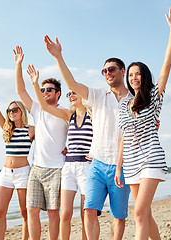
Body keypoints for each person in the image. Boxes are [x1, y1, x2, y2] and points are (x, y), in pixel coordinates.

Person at [44, 36, 131, 240]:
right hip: (97, 164)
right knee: (89, 211)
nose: (107, 73)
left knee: (118, 216)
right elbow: (72, 83)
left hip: (124, 165)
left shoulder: (134, 100)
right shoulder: (98, 95)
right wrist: (59, 57)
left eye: (111, 69)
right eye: (104, 71)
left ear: (122, 71)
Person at [114, 7, 171, 240]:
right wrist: (119, 166)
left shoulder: (153, 96)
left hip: (151, 156)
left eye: (138, 74)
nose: (134, 77)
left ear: (145, 76)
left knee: (139, 213)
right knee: (146, 213)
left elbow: (167, 65)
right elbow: (122, 136)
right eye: (131, 74)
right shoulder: (123, 104)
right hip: (131, 162)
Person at [27, 64, 92, 240]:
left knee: (87, 212)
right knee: (66, 214)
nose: (71, 95)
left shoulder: (94, 115)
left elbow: (107, 129)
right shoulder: (67, 114)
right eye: (69, 93)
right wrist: (34, 84)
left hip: (85, 166)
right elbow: (45, 107)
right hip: (69, 165)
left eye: (74, 92)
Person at [13, 46, 68, 240]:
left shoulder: (64, 112)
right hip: (36, 168)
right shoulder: (37, 109)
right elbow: (20, 91)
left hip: (57, 169)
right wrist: (18, 65)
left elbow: (80, 130)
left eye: (49, 89)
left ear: (58, 93)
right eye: (42, 89)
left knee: (53, 213)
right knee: (31, 211)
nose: (44, 92)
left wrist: (71, 148)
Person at [0, 72, 35, 240]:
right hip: (5, 174)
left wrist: (65, 149)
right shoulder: (6, 129)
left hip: (23, 173)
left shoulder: (30, 129)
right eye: (9, 110)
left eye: (14, 109)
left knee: (25, 213)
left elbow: (49, 138)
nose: (11, 112)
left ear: (21, 111)